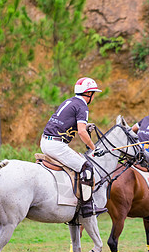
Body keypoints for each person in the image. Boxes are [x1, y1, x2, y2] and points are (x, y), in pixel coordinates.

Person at [40, 77, 107, 217]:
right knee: (87, 167)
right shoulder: (83, 106)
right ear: (88, 94)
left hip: (46, 141)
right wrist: (93, 147)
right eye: (93, 93)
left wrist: (85, 126)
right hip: (56, 145)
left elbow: (69, 123)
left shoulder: (70, 101)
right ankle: (88, 207)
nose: (94, 96)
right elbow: (82, 131)